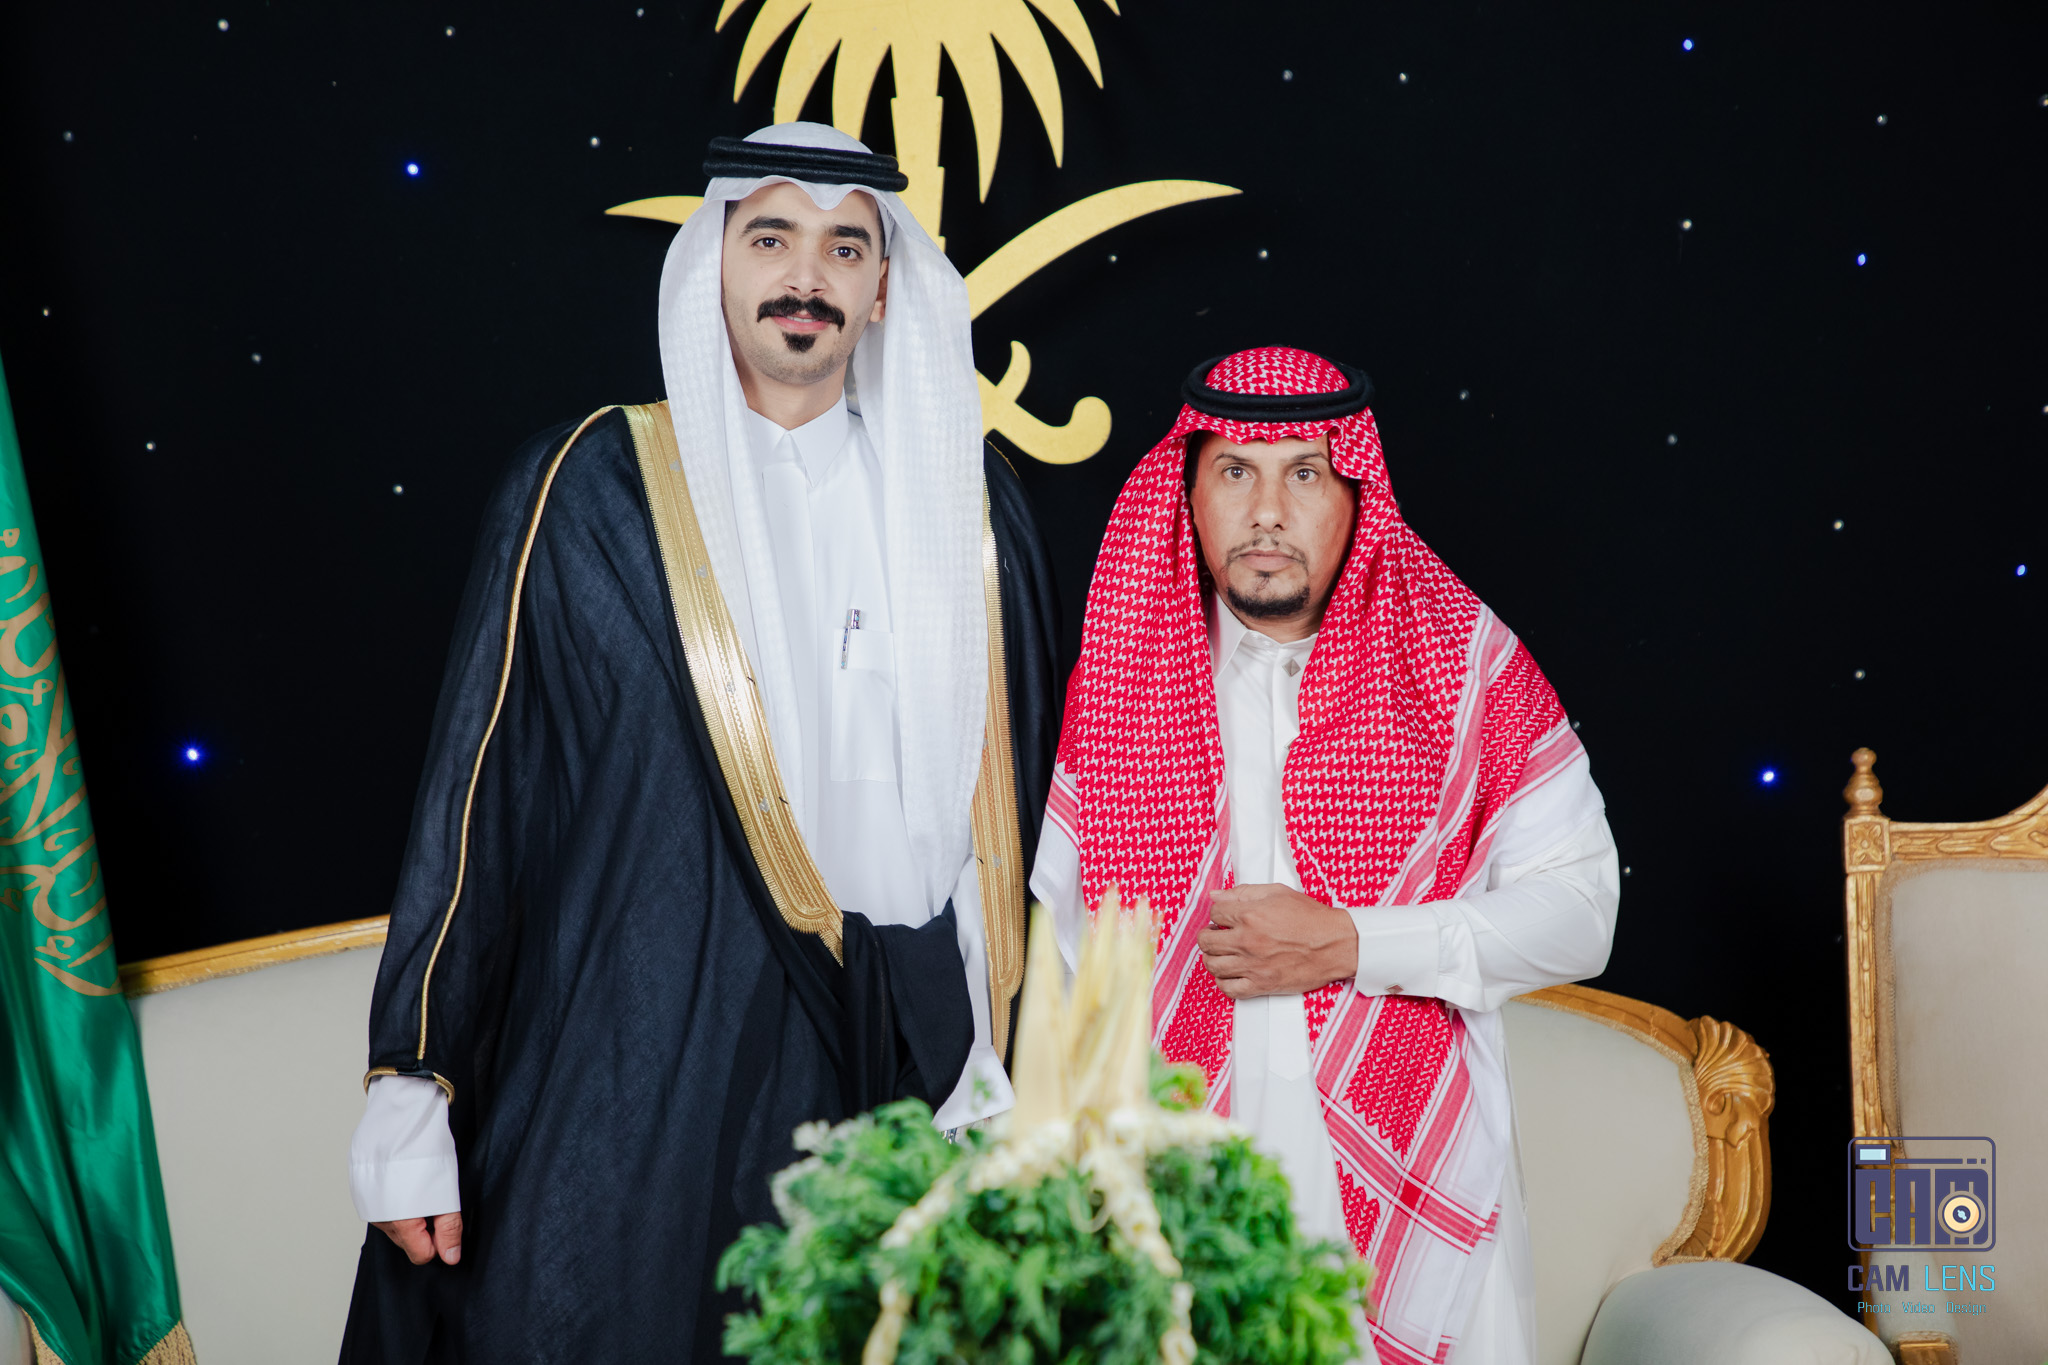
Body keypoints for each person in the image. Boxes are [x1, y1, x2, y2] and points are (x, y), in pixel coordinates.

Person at [339, 123, 1061, 1362]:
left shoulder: (969, 504)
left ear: (885, 289)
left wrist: (1019, 1067)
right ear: (712, 261)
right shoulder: (593, 489)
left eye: (845, 249)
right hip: (655, 1045)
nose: (805, 277)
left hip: (918, 1064)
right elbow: (481, 794)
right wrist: (414, 1083)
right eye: (770, 239)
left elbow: (1033, 805)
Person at [1031, 347, 1618, 1365]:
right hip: (1174, 1206)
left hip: (1417, 1177)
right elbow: (1064, 969)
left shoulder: (1461, 663)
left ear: (1355, 495)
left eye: (1303, 473)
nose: (1266, 511)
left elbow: (1582, 914)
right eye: (1234, 472)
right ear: (1188, 494)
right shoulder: (1122, 681)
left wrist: (1352, 943)